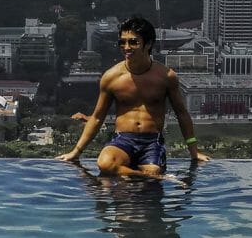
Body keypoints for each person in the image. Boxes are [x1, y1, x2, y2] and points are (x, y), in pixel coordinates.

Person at [56, 16, 210, 177]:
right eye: (122, 42)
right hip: (122, 139)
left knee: (153, 171)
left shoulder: (166, 76)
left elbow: (182, 114)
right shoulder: (111, 77)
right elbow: (96, 118)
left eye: (133, 42)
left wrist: (194, 151)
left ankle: (149, 174)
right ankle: (150, 176)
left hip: (152, 141)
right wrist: (76, 152)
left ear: (148, 44)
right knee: (105, 163)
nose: (126, 47)